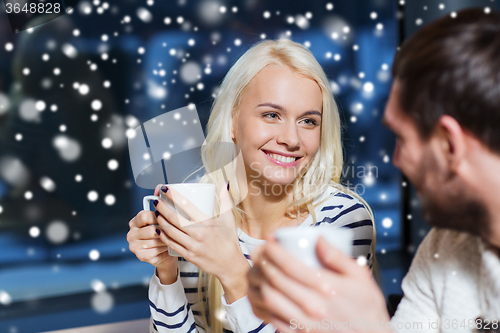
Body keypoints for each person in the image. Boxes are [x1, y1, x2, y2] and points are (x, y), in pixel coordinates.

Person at [246, 7, 500, 333]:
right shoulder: (445, 248)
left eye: (402, 139)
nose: (395, 160)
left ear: (450, 146)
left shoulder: (345, 215)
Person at [127, 38, 377, 333]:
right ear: (233, 122)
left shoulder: (342, 219)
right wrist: (167, 271)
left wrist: (232, 271)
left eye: (308, 121)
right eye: (272, 115)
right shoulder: (202, 213)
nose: (292, 139)